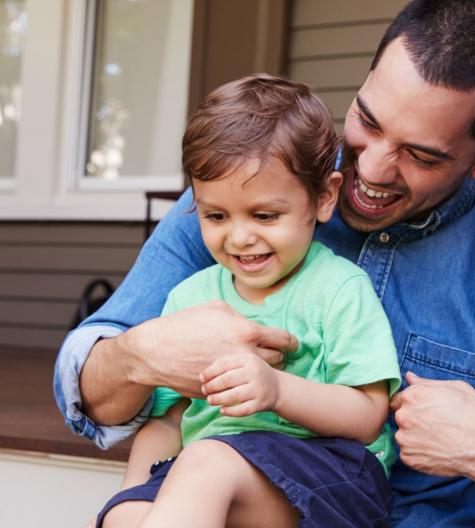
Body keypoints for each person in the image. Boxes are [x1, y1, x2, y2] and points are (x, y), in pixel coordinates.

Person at [54, 1, 475, 526]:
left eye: (421, 155)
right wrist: (145, 353)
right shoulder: (246, 190)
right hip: (215, 500)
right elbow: (103, 394)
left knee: (208, 464)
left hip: (355, 498)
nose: (369, 167)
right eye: (367, 120)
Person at [95, 75, 400, 528]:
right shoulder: (191, 299)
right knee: (126, 516)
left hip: (330, 475)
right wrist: (129, 494)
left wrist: (277, 390)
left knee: (207, 463)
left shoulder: (337, 289)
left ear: (324, 197)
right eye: (215, 215)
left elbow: (368, 416)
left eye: (264, 215)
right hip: (209, 475)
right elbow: (167, 420)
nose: (239, 237)